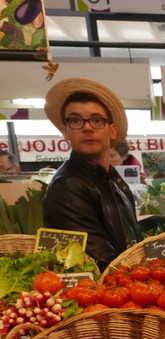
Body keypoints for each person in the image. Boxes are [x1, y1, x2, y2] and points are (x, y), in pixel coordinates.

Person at [42, 78, 139, 267]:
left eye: (96, 120)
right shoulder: (68, 186)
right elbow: (98, 260)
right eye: (76, 120)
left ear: (112, 130)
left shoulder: (109, 178)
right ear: (65, 131)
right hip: (103, 292)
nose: (87, 127)